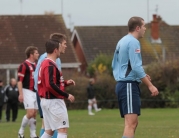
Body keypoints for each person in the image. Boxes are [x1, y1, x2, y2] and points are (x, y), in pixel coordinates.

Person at [112, 16, 159, 138]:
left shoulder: (122, 40)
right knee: (131, 124)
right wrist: (151, 86)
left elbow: (117, 65)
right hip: (128, 85)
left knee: (132, 123)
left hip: (124, 84)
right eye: (144, 26)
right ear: (137, 28)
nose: (145, 29)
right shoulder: (133, 42)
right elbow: (136, 66)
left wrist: (139, 76)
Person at [38, 38, 75, 138]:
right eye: (59, 48)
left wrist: (66, 83)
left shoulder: (44, 63)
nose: (60, 50)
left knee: (49, 131)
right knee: (62, 130)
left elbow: (51, 83)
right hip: (53, 102)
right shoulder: (50, 65)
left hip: (46, 101)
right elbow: (50, 85)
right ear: (55, 50)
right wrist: (66, 95)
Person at [34, 33, 62, 138]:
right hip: (46, 95)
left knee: (49, 124)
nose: (65, 46)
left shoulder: (56, 59)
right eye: (64, 44)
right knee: (49, 124)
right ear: (57, 46)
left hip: (51, 95)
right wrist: (42, 94)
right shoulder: (46, 58)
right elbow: (38, 77)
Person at [17, 46, 39, 138]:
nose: (38, 54)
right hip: (27, 91)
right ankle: (20, 132)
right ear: (31, 55)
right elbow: (19, 81)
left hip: (35, 92)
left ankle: (33, 135)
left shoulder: (36, 65)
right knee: (30, 113)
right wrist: (21, 94)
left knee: (34, 114)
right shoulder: (24, 65)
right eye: (36, 53)